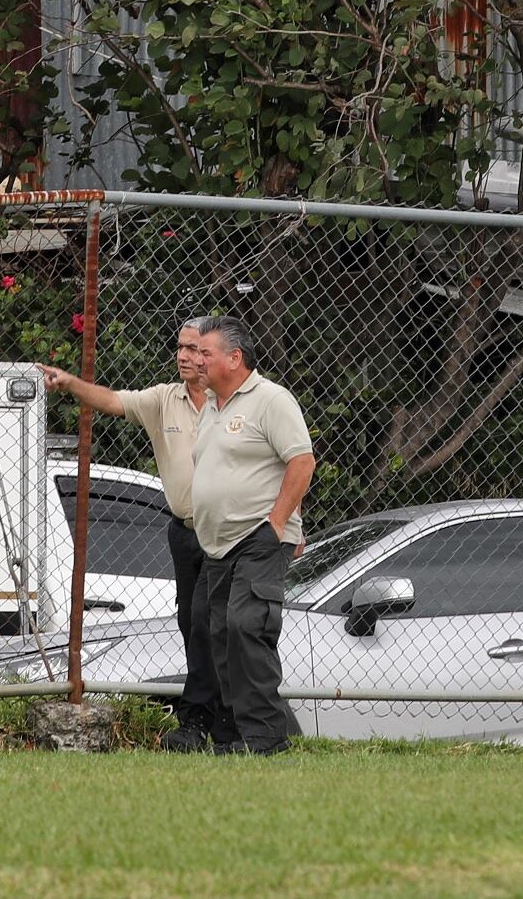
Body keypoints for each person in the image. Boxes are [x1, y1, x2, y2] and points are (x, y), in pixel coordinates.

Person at [37, 320, 231, 752]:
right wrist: (70, 383)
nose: (182, 355)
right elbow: (111, 400)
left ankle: (203, 719)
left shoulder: (238, 402)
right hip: (184, 533)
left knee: (209, 621)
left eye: (193, 348)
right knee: (191, 622)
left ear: (212, 355)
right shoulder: (164, 400)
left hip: (229, 534)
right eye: (179, 346)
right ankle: (214, 720)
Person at [191, 314, 315, 756]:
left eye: (205, 352)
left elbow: (302, 461)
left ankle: (266, 740)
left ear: (234, 357)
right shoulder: (211, 407)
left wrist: (278, 523)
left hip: (259, 538)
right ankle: (236, 736)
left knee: (247, 626)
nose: (196, 360)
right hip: (218, 546)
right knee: (221, 634)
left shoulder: (270, 400)